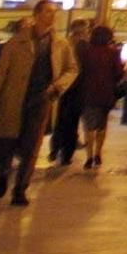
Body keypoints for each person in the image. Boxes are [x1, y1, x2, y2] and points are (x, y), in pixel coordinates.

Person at [0, 0, 78, 205]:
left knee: (32, 146)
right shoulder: (17, 42)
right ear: (37, 14)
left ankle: (20, 189)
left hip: (41, 99)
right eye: (49, 11)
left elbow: (72, 69)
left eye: (55, 12)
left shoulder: (60, 43)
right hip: (13, 98)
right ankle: (4, 170)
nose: (53, 15)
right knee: (6, 141)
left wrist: (57, 86)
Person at [76, 25, 123, 169]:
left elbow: (80, 72)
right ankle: (98, 153)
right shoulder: (113, 53)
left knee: (89, 126)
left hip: (88, 93)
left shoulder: (86, 52)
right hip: (106, 94)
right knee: (102, 125)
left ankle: (89, 156)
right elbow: (118, 74)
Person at [49, 18, 90, 165]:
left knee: (61, 120)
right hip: (76, 89)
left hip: (64, 87)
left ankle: (55, 148)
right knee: (71, 122)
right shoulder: (84, 47)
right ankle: (66, 153)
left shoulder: (65, 43)